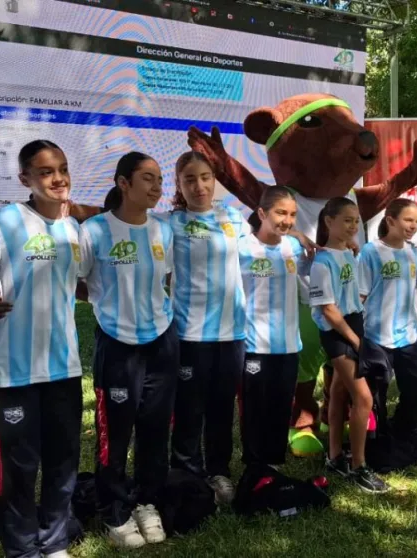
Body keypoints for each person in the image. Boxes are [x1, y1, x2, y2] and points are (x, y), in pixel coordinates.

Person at [0, 140, 83, 558]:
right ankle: (22, 549)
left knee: (63, 461)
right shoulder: (7, 220)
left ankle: (54, 540)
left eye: (62, 169)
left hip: (64, 365)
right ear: (25, 178)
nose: (57, 178)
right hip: (15, 368)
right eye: (46, 172)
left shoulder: (72, 227)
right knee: (19, 469)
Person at [78, 152, 177, 549]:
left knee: (155, 429)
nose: (157, 187)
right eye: (147, 178)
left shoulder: (163, 230)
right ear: (123, 183)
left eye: (159, 179)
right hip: (117, 345)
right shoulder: (95, 231)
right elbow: (76, 280)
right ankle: (114, 511)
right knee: (115, 435)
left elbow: (163, 280)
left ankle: (148, 501)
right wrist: (105, 302)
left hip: (162, 342)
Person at [163, 151, 248, 506]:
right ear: (179, 185)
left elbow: (262, 248)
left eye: (205, 177)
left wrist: (302, 239)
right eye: (190, 179)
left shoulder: (233, 217)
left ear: (214, 180)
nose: (199, 186)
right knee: (189, 408)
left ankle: (219, 471)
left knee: (221, 407)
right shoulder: (170, 224)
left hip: (232, 332)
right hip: (190, 333)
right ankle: (186, 474)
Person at [310, 198, 388, 493]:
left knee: (340, 391)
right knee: (363, 398)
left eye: (356, 221)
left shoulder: (349, 253)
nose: (353, 226)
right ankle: (359, 466)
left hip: (354, 325)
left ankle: (334, 457)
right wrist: (356, 341)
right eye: (347, 220)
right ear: (329, 221)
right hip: (337, 332)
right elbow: (329, 311)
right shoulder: (322, 262)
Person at [238, 186, 309, 470]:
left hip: (288, 344)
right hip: (254, 345)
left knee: (281, 406)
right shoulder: (241, 248)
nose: (287, 220)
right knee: (255, 408)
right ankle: (254, 467)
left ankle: (275, 465)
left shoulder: (293, 247)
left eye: (292, 215)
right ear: (262, 213)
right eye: (281, 213)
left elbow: (314, 265)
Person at [357, 199, 417, 435]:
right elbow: (360, 295)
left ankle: (403, 432)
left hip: (408, 335)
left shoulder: (413, 252)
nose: (413, 226)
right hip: (376, 336)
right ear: (390, 220)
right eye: (408, 220)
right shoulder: (371, 252)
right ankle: (375, 437)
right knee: (376, 393)